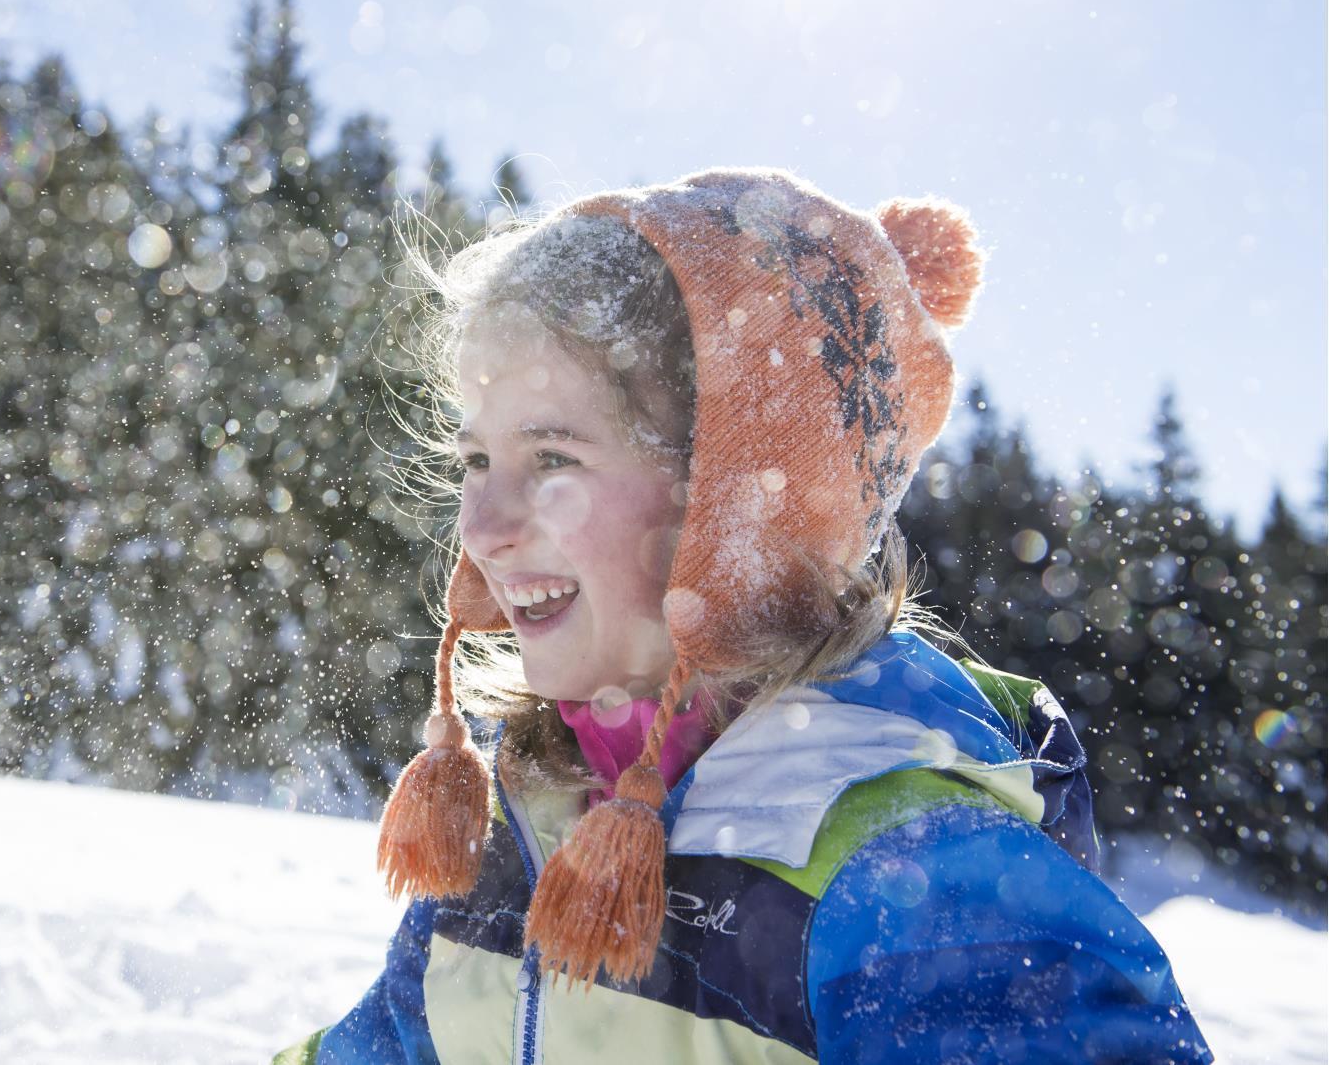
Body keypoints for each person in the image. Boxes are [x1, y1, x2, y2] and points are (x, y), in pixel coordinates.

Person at [275, 169, 1212, 1064]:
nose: (479, 528)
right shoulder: (524, 815)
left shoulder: (918, 880)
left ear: (738, 510)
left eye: (553, 457)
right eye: (476, 460)